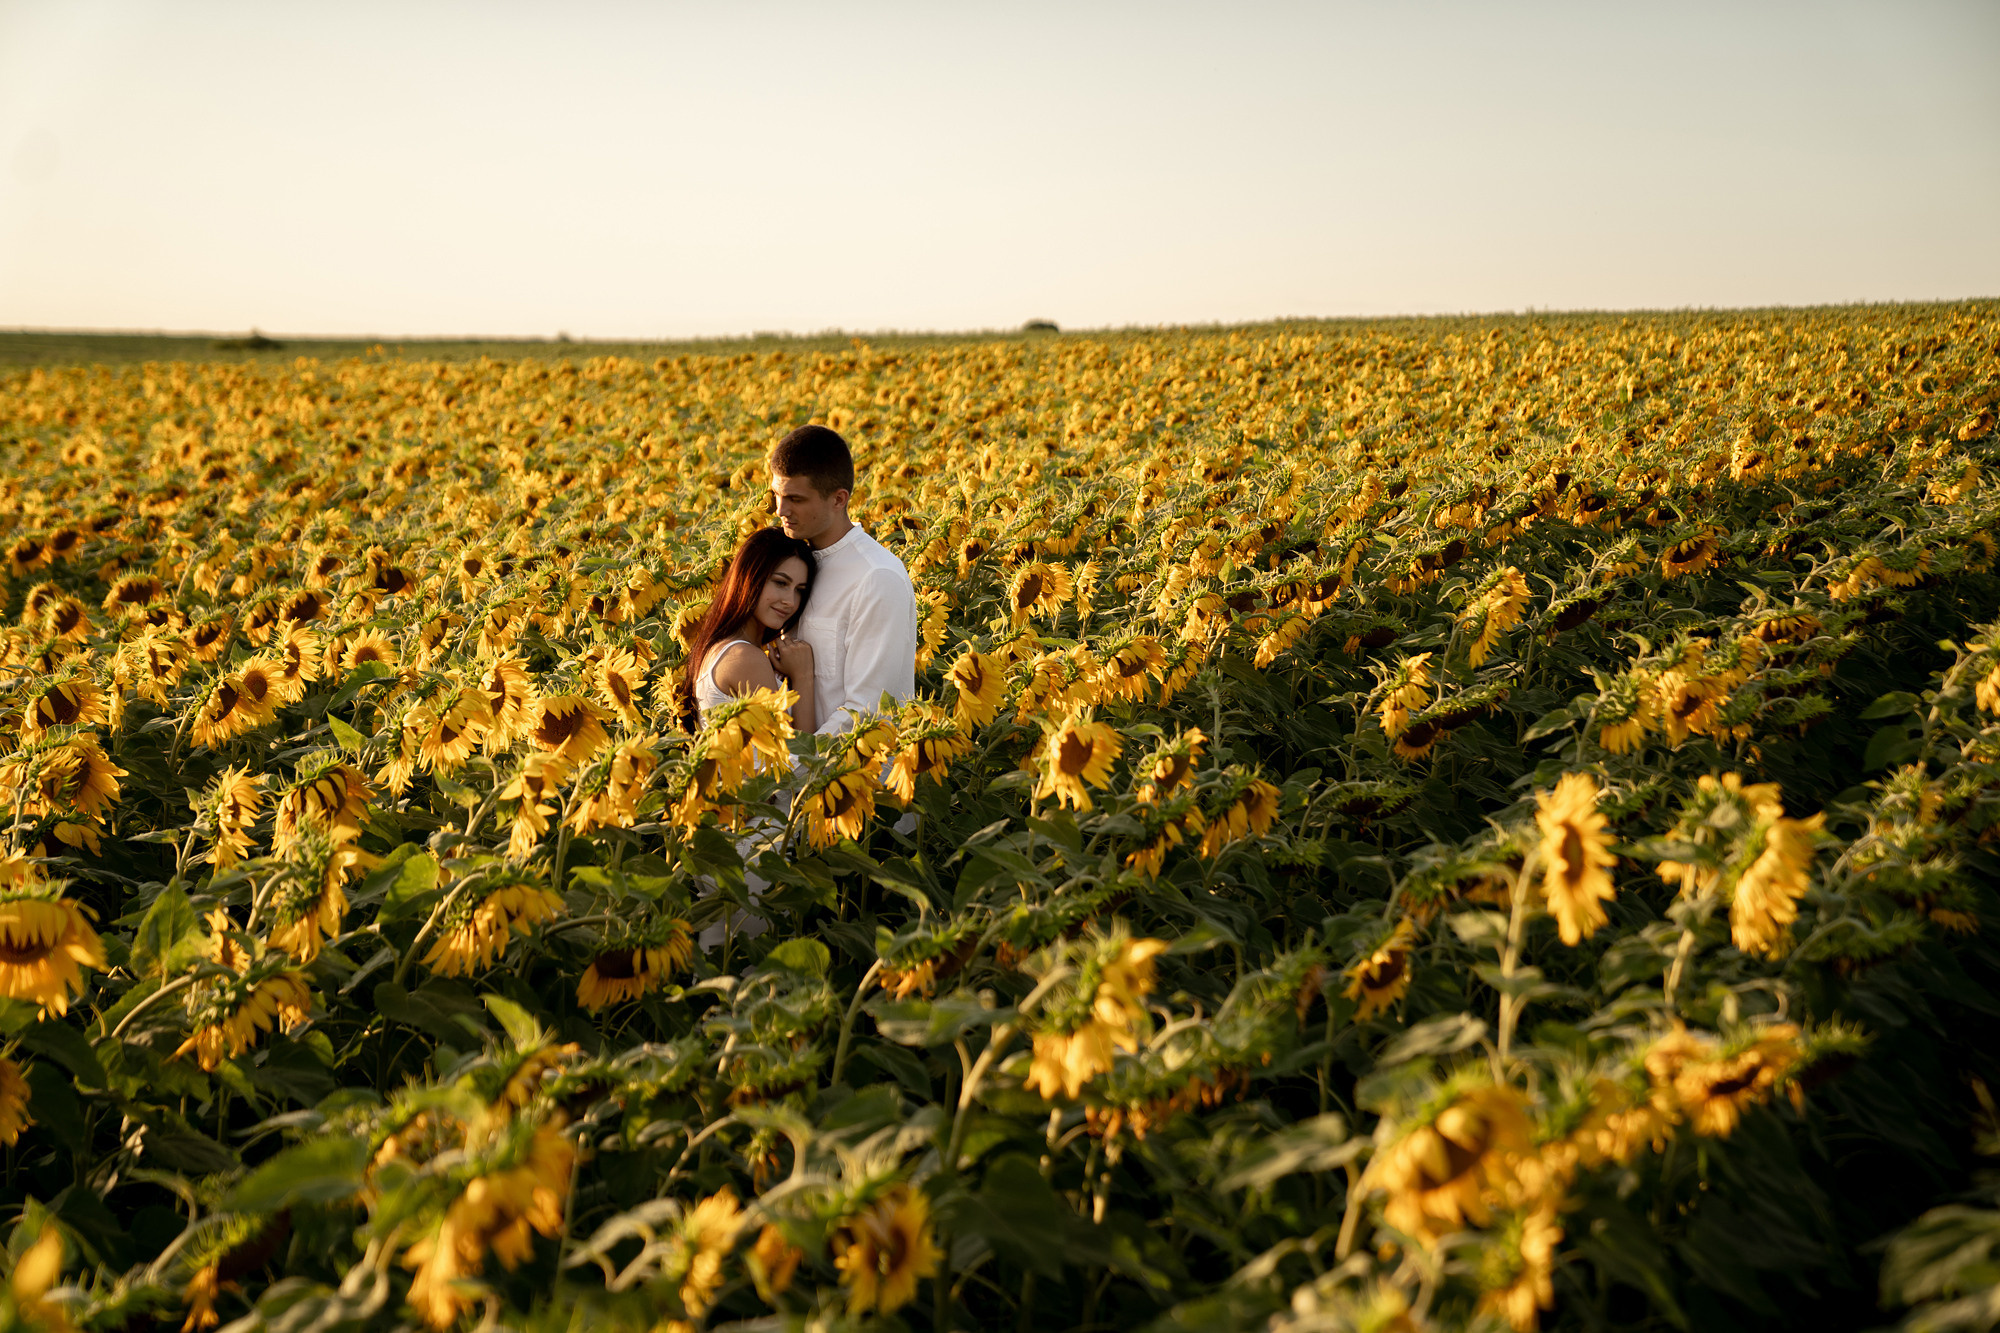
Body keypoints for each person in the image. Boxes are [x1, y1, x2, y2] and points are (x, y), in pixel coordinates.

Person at [766, 424, 918, 734]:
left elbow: (868, 711)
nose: (781, 510)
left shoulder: (876, 578)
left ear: (839, 499)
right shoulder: (793, 563)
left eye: (795, 499)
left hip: (849, 774)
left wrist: (790, 771)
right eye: (777, 495)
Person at [679, 527, 819, 732]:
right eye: (780, 583)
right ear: (749, 577)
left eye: (799, 591)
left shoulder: (723, 647)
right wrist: (803, 676)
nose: (790, 601)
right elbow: (798, 755)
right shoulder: (745, 657)